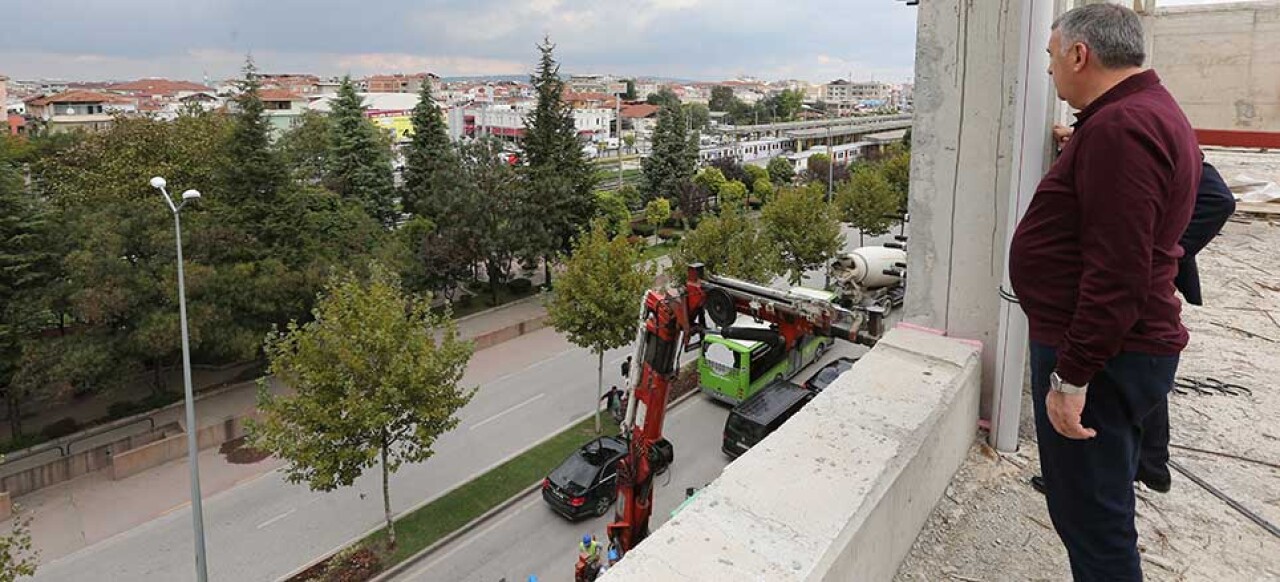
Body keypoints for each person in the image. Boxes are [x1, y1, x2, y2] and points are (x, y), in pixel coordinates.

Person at [1008, 4, 1200, 580]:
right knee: (1099, 508)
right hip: (1119, 350)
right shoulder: (1140, 114)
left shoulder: (1122, 128)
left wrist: (1072, 377)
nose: (1048, 71)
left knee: (1093, 522)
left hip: (1103, 356)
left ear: (1078, 54)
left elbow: (1119, 272)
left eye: (1050, 56)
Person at [1029, 128, 1236, 495]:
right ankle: (1146, 464)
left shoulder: (1138, 132)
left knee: (1127, 369)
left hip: (1137, 279)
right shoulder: (1116, 127)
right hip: (1134, 280)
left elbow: (1219, 199)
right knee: (1133, 370)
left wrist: (1168, 251)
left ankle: (1125, 471)